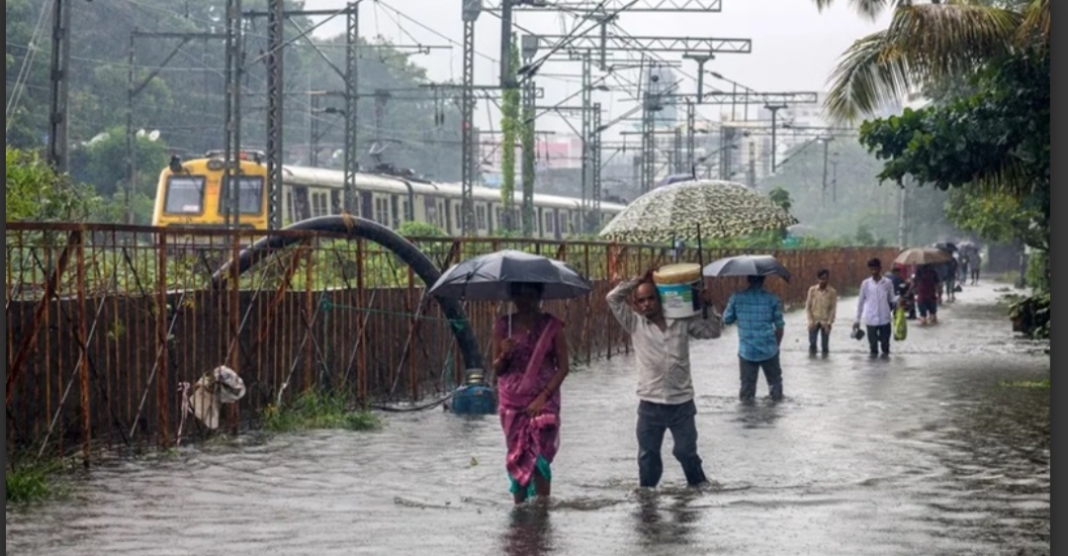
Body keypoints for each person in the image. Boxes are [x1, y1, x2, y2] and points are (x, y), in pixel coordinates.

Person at [606, 270, 722, 489]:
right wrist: (637, 280)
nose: (647, 304)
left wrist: (707, 306)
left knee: (685, 452)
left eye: (651, 298)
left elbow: (713, 332)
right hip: (650, 404)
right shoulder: (634, 323)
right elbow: (612, 298)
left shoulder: (681, 320)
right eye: (641, 301)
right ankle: (647, 501)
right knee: (647, 458)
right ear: (636, 305)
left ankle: (698, 492)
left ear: (660, 298)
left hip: (682, 403)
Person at [492, 282, 571, 504]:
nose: (524, 300)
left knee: (540, 457)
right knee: (517, 454)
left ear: (538, 296)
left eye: (530, 295)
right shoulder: (502, 326)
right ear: (513, 298)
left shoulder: (552, 327)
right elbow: (497, 369)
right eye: (519, 295)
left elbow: (563, 367)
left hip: (544, 401)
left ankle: (542, 509)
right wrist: (504, 355)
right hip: (512, 403)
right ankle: (520, 510)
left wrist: (543, 397)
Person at [724, 275, 786, 401]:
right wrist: (776, 346)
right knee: (775, 388)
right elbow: (779, 327)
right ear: (763, 280)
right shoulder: (772, 299)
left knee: (747, 393)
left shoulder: (736, 298)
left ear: (748, 279)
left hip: (747, 351)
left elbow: (726, 319)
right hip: (769, 349)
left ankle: (749, 419)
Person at [853, 258, 896, 357]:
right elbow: (860, 302)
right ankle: (874, 370)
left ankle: (885, 369)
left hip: (885, 319)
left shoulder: (888, 283)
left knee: (885, 346)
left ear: (880, 268)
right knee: (873, 347)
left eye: (875, 269)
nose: (874, 271)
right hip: (871, 320)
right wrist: (857, 320)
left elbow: (892, 299)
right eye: (871, 269)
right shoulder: (866, 284)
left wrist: (898, 302)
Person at [805, 269, 837, 355]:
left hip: (825, 322)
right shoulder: (812, 290)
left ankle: (825, 365)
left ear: (828, 279)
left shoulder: (832, 292)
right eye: (821, 279)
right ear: (817, 279)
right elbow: (808, 307)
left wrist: (829, 323)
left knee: (825, 346)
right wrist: (810, 321)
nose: (823, 281)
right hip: (814, 321)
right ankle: (813, 364)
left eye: (825, 279)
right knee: (812, 344)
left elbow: (832, 309)